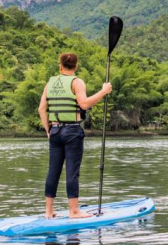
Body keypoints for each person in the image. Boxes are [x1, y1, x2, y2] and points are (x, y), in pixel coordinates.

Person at [38, 52, 112, 219]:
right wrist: (103, 91)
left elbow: (41, 109)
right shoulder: (77, 82)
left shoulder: (49, 83)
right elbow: (84, 104)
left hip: (55, 131)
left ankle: (48, 212)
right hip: (72, 131)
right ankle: (74, 211)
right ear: (76, 66)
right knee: (72, 172)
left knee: (53, 171)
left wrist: (48, 131)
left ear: (60, 66)